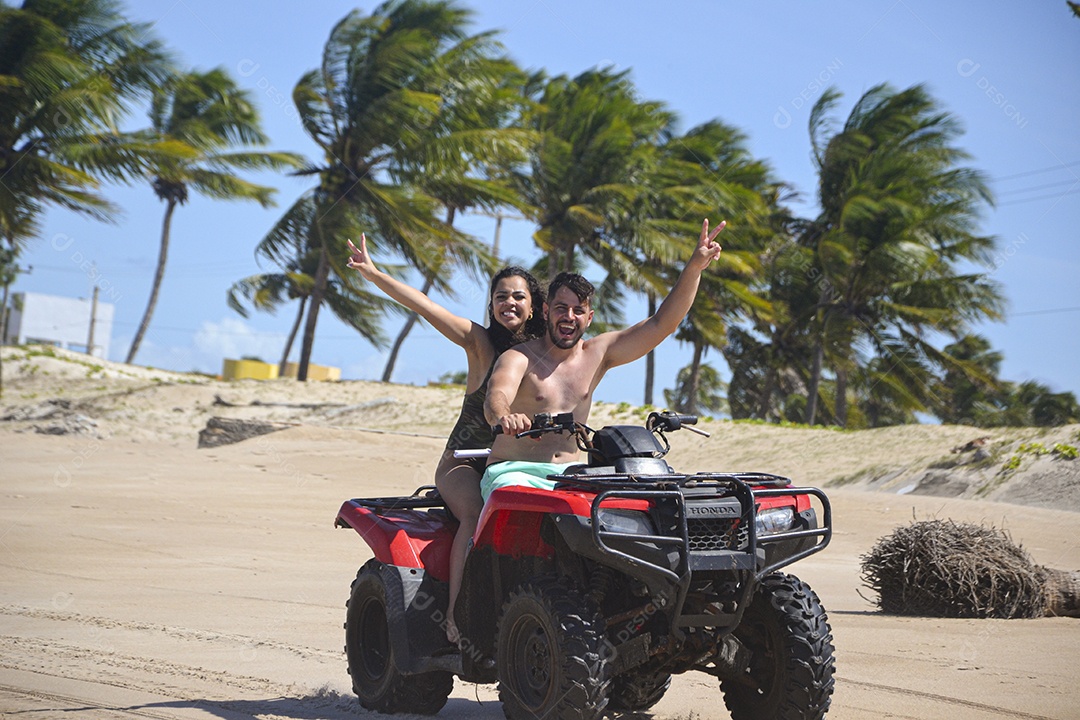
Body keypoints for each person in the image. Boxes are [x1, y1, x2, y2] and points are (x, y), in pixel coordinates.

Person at [346, 234, 545, 641]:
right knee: (474, 516)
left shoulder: (545, 353)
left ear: (533, 306)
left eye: (518, 297)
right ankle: (457, 615)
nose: (509, 303)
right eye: (501, 296)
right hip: (463, 462)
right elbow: (425, 306)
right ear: (490, 305)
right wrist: (373, 273)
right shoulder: (479, 342)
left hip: (515, 463)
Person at [482, 218, 725, 498]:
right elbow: (496, 395)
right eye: (561, 308)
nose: (569, 317)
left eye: (578, 310)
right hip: (515, 472)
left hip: (572, 477)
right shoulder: (519, 357)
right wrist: (505, 417)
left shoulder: (598, 354)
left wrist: (694, 267)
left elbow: (662, 324)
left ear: (589, 317)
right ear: (546, 311)